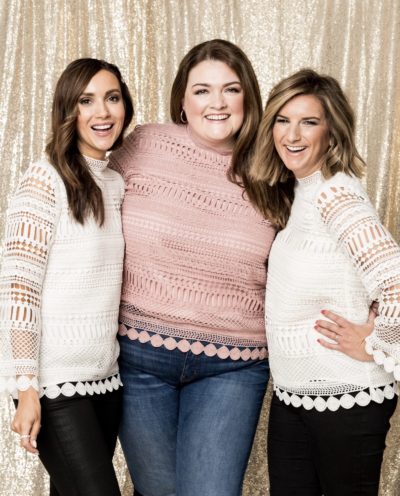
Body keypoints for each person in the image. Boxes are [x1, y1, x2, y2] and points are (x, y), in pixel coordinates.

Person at [109, 39, 275, 496]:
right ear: (182, 99)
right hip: (138, 358)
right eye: (202, 90)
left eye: (231, 90)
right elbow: (83, 199)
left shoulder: (272, 164)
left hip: (233, 366)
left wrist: (381, 316)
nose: (217, 103)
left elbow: (323, 241)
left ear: (249, 98)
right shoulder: (144, 144)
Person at [248, 68, 400, 495]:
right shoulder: (301, 194)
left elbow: (395, 279)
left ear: (331, 132)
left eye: (309, 122)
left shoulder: (337, 194)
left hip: (346, 399)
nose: (292, 134)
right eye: (282, 120)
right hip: (293, 397)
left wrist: (375, 341)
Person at [0, 58, 133, 496]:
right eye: (86, 101)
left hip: (106, 378)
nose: (103, 112)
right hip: (53, 383)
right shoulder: (44, 180)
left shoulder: (114, 183)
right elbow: (20, 289)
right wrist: (26, 388)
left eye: (112, 98)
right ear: (67, 111)